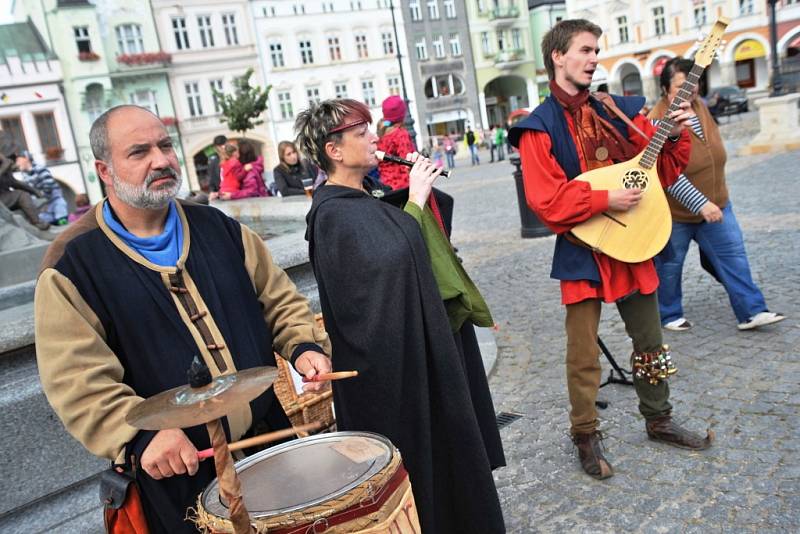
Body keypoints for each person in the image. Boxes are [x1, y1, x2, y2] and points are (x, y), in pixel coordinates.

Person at [34, 105, 332, 532]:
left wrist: (302, 347)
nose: (161, 160)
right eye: (139, 152)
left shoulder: (220, 228)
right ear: (104, 169)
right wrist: (138, 435)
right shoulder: (72, 265)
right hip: (176, 478)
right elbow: (76, 379)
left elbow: (277, 298)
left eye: (165, 145)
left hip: (268, 448)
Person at [508, 19, 713, 480]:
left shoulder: (615, 109)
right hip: (585, 243)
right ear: (558, 57)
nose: (594, 58)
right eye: (584, 50)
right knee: (583, 351)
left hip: (632, 238)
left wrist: (675, 134)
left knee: (650, 338)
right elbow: (547, 202)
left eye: (596, 50)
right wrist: (605, 198)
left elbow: (656, 172)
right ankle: (584, 432)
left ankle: (658, 417)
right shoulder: (537, 128)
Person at [297, 99, 506, 533]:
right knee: (417, 468)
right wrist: (414, 199)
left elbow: (396, 244)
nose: (375, 139)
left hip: (412, 358)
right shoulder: (332, 213)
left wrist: (417, 199)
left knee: (446, 463)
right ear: (334, 150)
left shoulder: (360, 196)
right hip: (388, 375)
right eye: (361, 134)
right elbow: (387, 265)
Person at [649, 58, 786, 332]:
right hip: (677, 213)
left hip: (719, 202)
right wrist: (700, 203)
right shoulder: (657, 120)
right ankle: (668, 314)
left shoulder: (699, 107)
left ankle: (752, 311)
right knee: (670, 266)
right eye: (680, 86)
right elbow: (665, 172)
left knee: (733, 254)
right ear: (665, 89)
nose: (689, 90)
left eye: (694, 83)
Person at [0, 149, 49, 230]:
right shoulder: (4, 168)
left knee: (21, 194)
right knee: (21, 195)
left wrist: (36, 192)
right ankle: (38, 223)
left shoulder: (5, 170)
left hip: (5, 198)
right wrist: (4, 167)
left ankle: (36, 223)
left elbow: (14, 183)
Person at [16, 151, 69, 225]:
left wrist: (41, 199)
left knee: (62, 222)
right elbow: (29, 192)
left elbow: (48, 185)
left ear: (26, 158)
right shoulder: (25, 175)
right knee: (46, 224)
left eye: (18, 160)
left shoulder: (40, 169)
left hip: (54, 202)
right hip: (44, 207)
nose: (17, 163)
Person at [376, 95, 416, 189]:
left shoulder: (380, 133)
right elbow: (407, 162)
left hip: (386, 184)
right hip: (403, 186)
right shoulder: (400, 134)